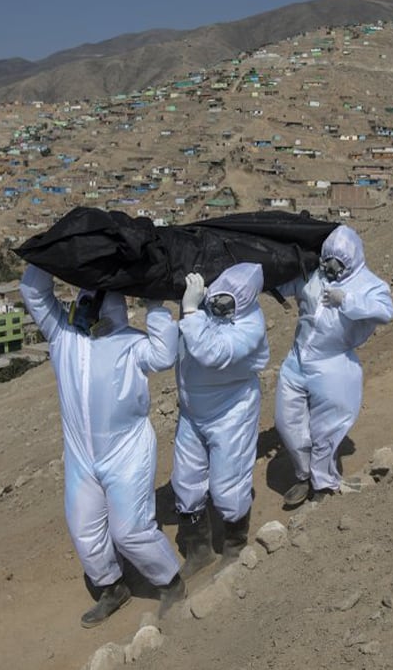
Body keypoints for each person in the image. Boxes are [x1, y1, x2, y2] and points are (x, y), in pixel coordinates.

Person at [19, 264, 185, 628]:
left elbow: (164, 356)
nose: (86, 306)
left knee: (130, 531)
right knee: (84, 528)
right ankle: (112, 586)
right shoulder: (63, 336)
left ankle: (171, 582)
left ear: (111, 307)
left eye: (95, 300)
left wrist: (155, 305)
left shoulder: (131, 343)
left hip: (126, 453)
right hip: (81, 457)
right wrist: (47, 256)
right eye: (84, 299)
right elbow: (33, 292)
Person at [274, 225, 393, 507]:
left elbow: (386, 311)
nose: (331, 267)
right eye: (328, 260)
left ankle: (324, 482)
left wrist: (348, 300)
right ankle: (304, 474)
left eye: (338, 263)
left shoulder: (368, 284)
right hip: (296, 360)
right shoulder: (313, 273)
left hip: (333, 363)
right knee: (286, 422)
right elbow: (285, 283)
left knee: (327, 427)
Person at [171, 263, 269, 578]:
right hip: (193, 410)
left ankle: (235, 546)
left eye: (228, 302)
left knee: (227, 485)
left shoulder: (250, 326)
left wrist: (190, 310)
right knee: (186, 482)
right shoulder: (206, 308)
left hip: (231, 411)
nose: (218, 305)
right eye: (217, 297)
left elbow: (211, 352)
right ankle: (199, 551)